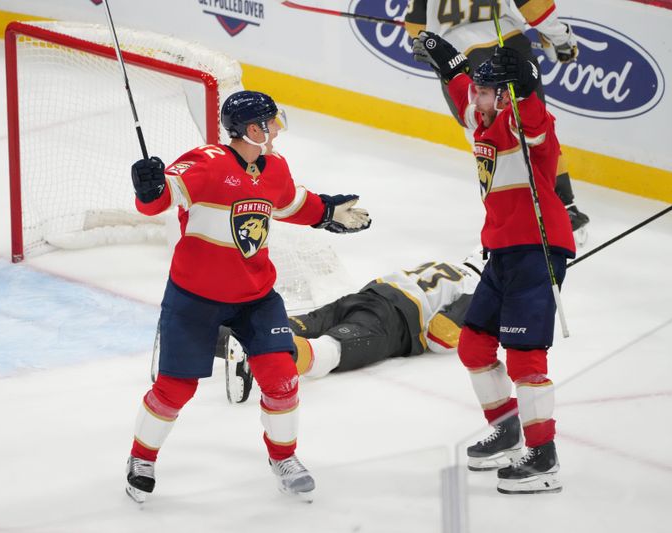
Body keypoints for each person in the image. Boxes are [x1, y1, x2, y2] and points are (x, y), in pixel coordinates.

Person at [124, 90, 372, 503]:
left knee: (282, 378)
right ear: (253, 129)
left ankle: (284, 458)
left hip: (256, 296)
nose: (278, 130)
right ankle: (140, 458)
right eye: (272, 122)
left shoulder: (273, 166)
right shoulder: (205, 163)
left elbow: (291, 203)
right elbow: (162, 200)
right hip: (194, 298)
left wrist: (327, 212)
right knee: (174, 390)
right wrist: (148, 190)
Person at [412, 33, 575, 494]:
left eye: (485, 92)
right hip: (502, 250)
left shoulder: (524, 125)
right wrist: (450, 61)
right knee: (474, 347)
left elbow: (536, 119)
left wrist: (523, 86)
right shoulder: (480, 119)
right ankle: (507, 428)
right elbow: (465, 84)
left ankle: (543, 457)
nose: (474, 99)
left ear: (505, 96)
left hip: (537, 247)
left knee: (525, 356)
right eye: (478, 92)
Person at [404, 0, 590, 243]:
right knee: (534, 130)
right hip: (508, 39)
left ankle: (511, 219)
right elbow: (534, 7)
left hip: (457, 52)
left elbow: (416, 26)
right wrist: (560, 37)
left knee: (483, 135)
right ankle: (565, 208)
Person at [221, 250, 485, 403]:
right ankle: (258, 354)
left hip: (363, 297)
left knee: (292, 325)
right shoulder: (477, 289)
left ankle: (223, 334)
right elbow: (439, 335)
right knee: (327, 352)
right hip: (392, 322)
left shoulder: (447, 264)